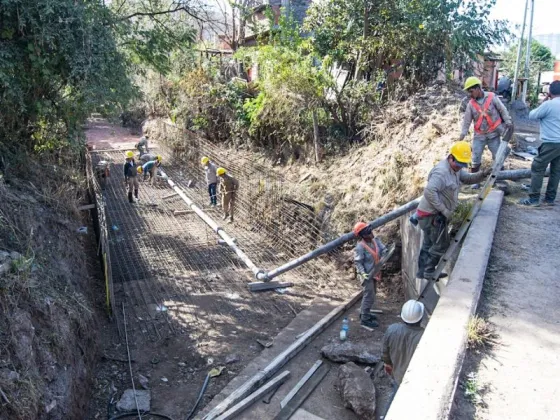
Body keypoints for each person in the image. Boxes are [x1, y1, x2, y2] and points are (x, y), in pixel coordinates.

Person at [414, 141, 490, 280]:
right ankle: (429, 271)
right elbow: (430, 192)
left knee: (428, 244)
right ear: (450, 157)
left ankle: (422, 271)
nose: (460, 166)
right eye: (458, 163)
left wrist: (482, 174)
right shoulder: (441, 172)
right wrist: (444, 211)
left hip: (430, 214)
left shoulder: (455, 169)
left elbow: (466, 178)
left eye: (463, 164)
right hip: (431, 215)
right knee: (441, 245)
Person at [460, 77, 512, 182]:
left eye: (471, 91)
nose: (470, 94)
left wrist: (508, 121)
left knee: (498, 156)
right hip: (479, 135)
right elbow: (467, 120)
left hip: (494, 133)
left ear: (478, 88)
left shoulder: (492, 97)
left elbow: (502, 110)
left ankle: (499, 179)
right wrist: (463, 134)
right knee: (475, 158)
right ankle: (474, 180)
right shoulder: (471, 104)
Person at [519, 80, 560, 207]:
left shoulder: (548, 104)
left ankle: (534, 199)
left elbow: (532, 115)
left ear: (549, 92)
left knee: (537, 167)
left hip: (550, 142)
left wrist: (544, 101)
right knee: (556, 171)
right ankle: (549, 199)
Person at [381, 300, 425, 414]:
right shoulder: (424, 336)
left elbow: (385, 352)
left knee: (396, 399)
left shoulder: (392, 329)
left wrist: (388, 364)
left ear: (402, 317)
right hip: (416, 381)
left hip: (398, 375)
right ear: (420, 318)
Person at [353, 222, 386, 330]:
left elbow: (383, 249)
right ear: (363, 235)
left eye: (370, 231)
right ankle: (365, 319)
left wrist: (386, 252)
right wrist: (363, 273)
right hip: (367, 275)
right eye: (368, 232)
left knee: (372, 294)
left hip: (375, 272)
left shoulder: (375, 240)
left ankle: (364, 312)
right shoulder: (360, 247)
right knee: (369, 296)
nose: (371, 233)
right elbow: (358, 262)